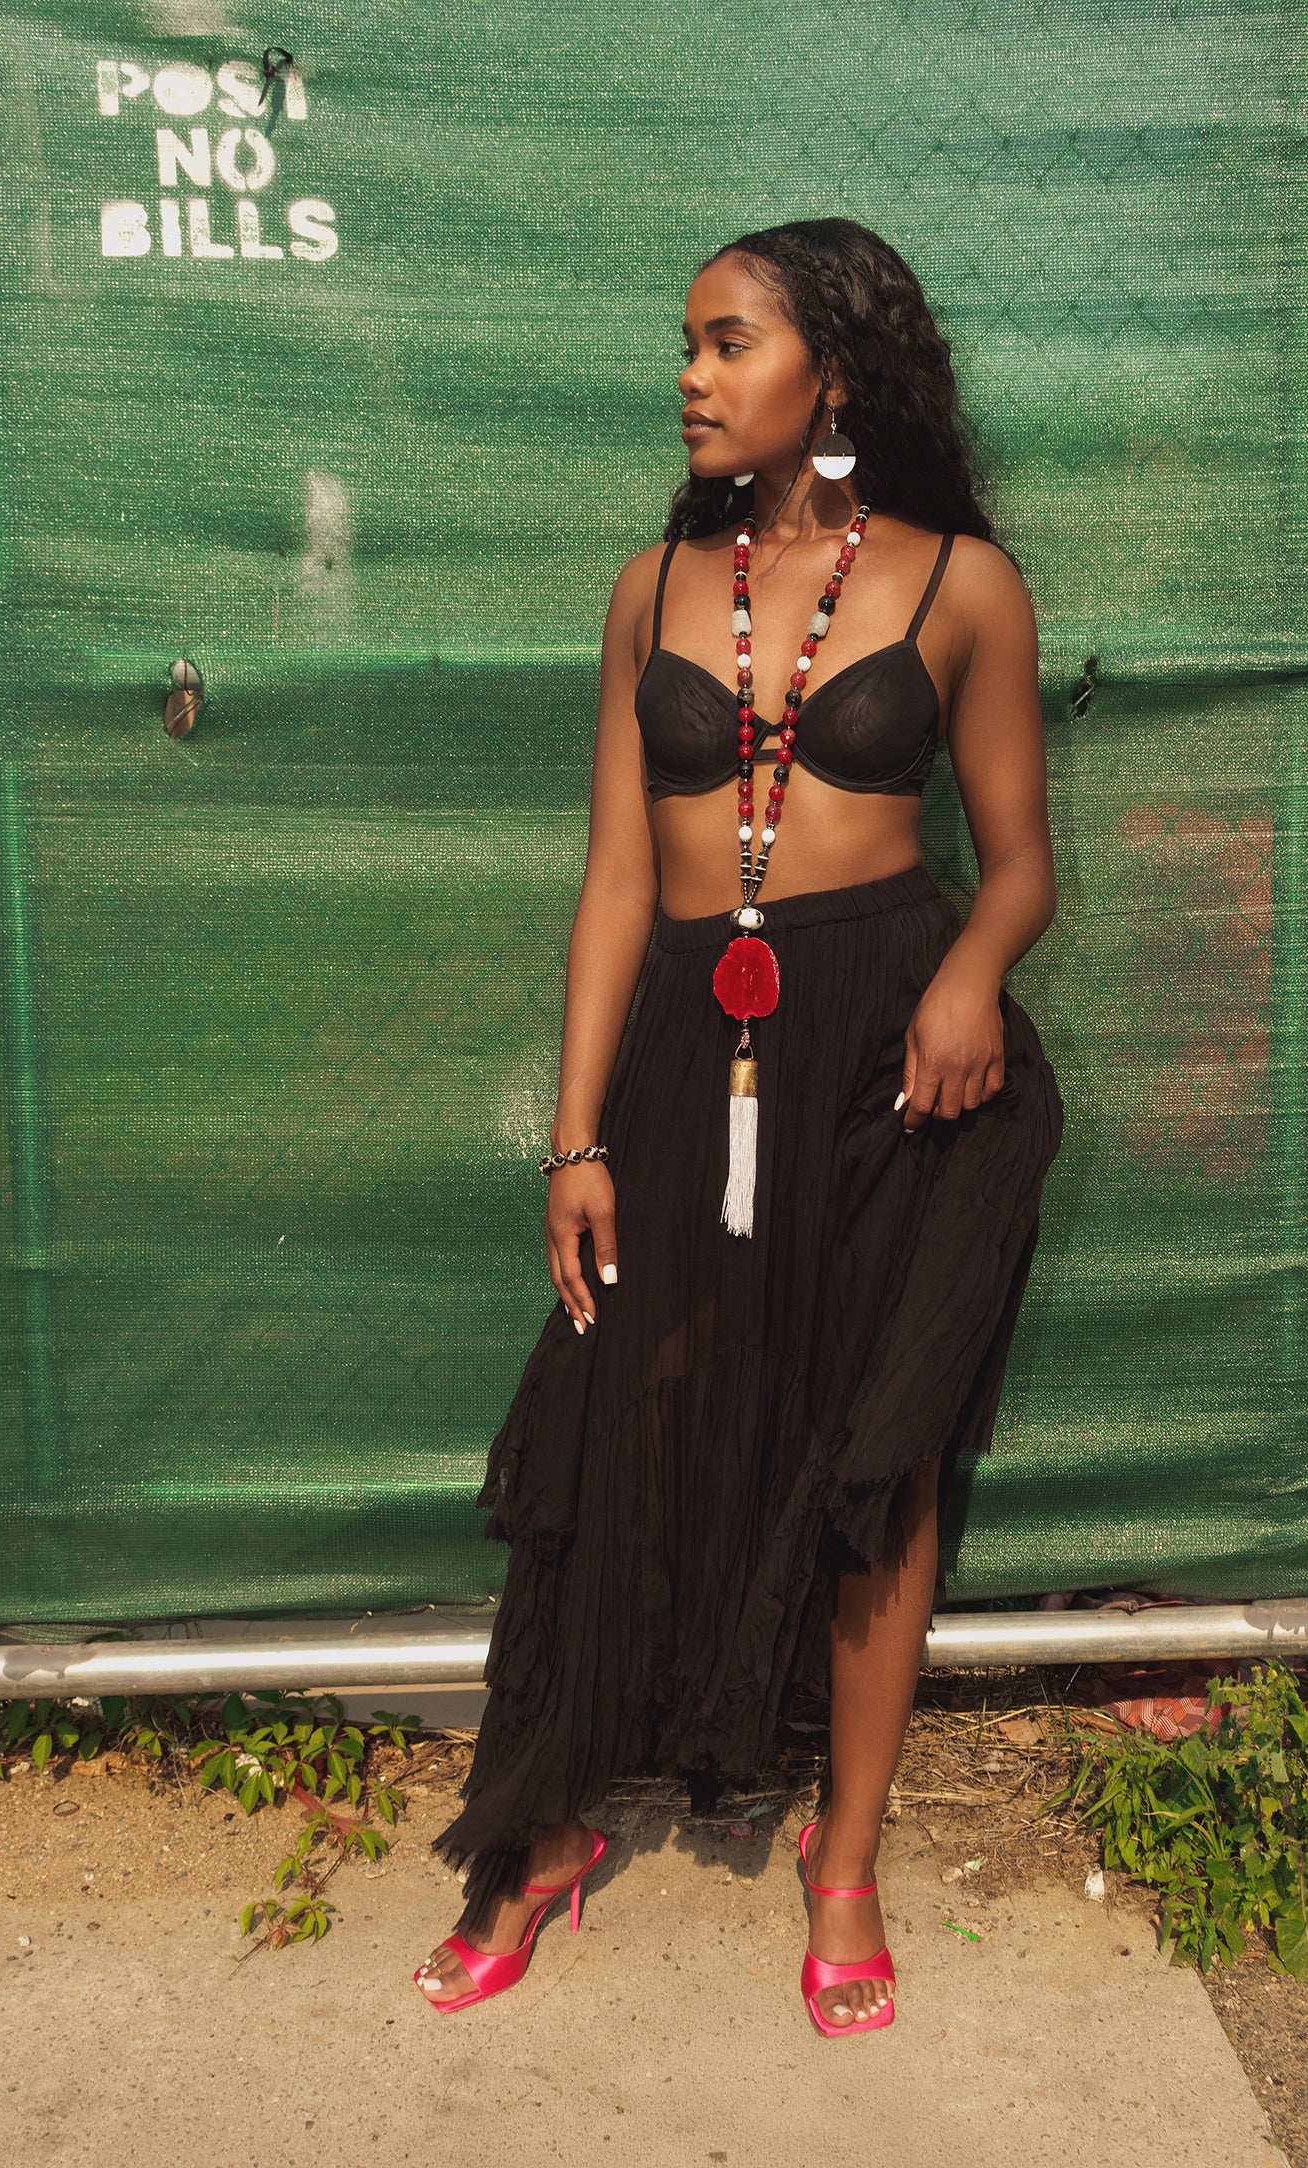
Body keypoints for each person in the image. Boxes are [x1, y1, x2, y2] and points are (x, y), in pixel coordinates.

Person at [414, 216, 1063, 2034]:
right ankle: (544, 1828)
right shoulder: (649, 586)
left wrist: (967, 975)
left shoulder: (964, 588)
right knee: (624, 1415)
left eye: (724, 343)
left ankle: (840, 1856)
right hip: (689, 1052)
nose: (688, 377)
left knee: (878, 1459)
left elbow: (1017, 863)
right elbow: (619, 877)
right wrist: (575, 1138)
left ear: (829, 374)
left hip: (898, 1053)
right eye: (684, 345)